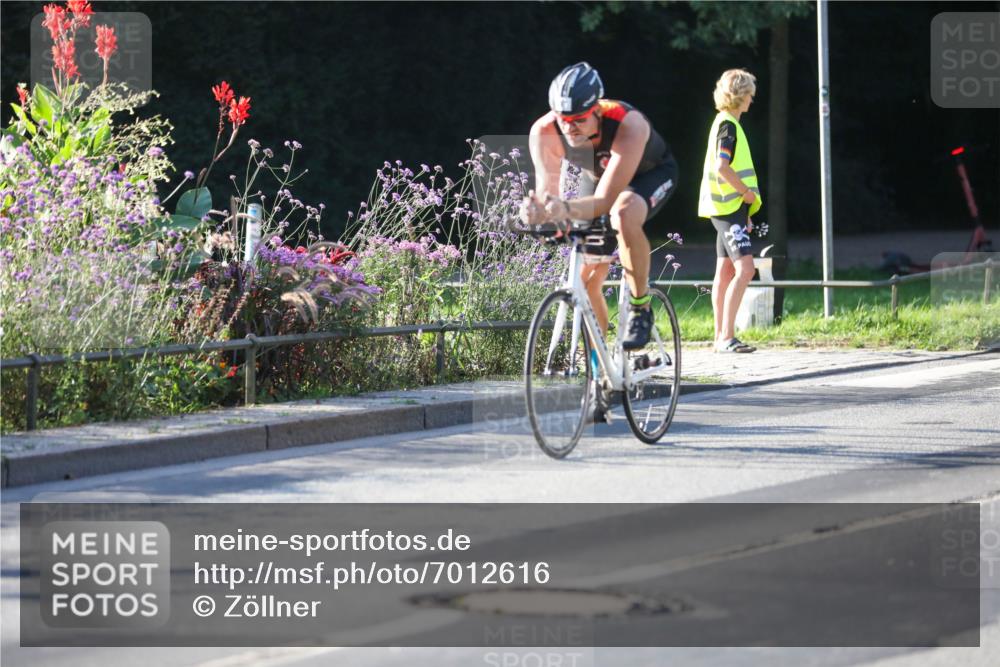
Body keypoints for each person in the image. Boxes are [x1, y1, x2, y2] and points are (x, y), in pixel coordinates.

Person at [520, 61, 678, 350]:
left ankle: (640, 307)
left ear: (597, 109)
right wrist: (537, 211)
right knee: (587, 279)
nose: (570, 127)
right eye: (563, 119)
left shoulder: (628, 124)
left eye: (578, 119)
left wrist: (566, 209)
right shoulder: (544, 131)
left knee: (622, 213)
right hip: (597, 178)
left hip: (649, 174)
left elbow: (606, 201)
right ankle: (600, 371)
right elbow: (548, 192)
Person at [698, 68, 762, 353]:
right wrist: (745, 194)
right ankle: (726, 336)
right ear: (739, 96)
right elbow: (722, 167)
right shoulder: (729, 127)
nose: (752, 99)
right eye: (749, 94)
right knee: (745, 269)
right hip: (728, 207)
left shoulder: (722, 122)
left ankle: (719, 336)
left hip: (726, 208)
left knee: (724, 272)